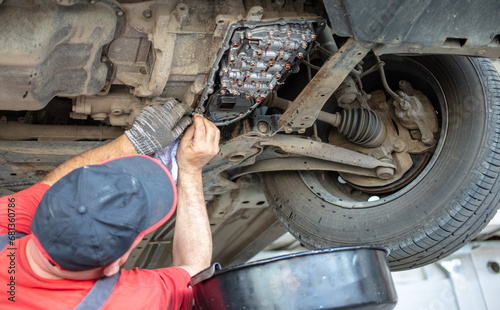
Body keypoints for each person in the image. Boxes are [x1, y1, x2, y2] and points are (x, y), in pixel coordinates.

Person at [0, 100, 220, 309]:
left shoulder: (5, 224)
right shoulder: (125, 302)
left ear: (42, 210)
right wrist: (190, 170)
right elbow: (196, 274)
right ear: (114, 266)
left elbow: (49, 185)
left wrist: (135, 141)